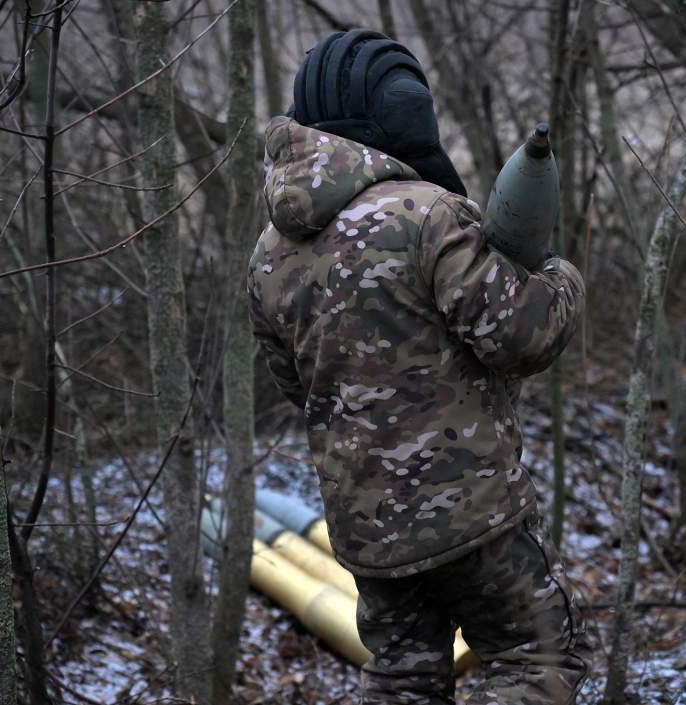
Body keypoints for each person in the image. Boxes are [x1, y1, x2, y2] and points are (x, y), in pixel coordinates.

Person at [247, 28, 590, 705]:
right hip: (473, 513)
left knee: (403, 679)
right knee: (532, 662)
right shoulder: (426, 215)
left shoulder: (267, 252)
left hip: (366, 528)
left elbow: (294, 384)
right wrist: (558, 274)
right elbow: (524, 336)